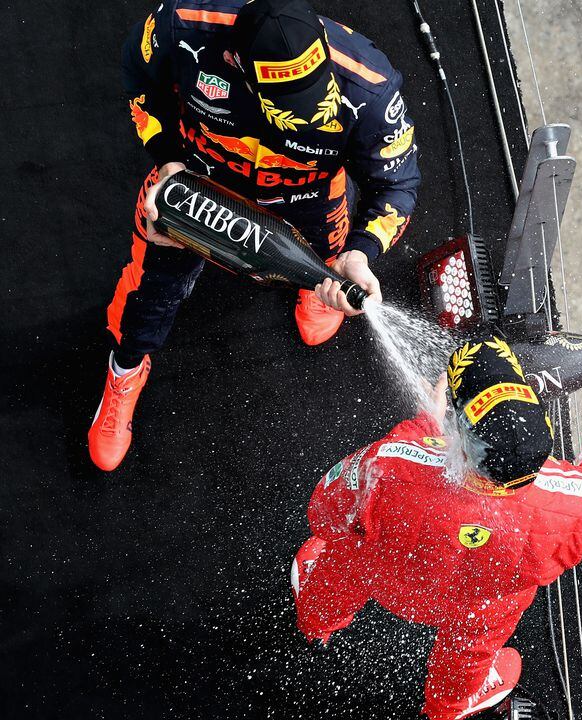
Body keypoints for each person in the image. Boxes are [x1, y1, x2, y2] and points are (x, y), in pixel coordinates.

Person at [89, 0, 421, 471]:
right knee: (150, 291)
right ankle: (125, 369)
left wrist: (361, 253)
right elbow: (138, 79)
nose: (308, 117)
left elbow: (398, 184)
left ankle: (316, 289)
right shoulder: (181, 25)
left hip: (310, 199)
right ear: (233, 62)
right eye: (289, 107)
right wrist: (166, 159)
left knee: (330, 261)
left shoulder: (370, 87)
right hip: (201, 186)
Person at [290, 326, 582, 719]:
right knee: (466, 661)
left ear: (460, 433)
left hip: (386, 577)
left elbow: (322, 514)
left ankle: (316, 622)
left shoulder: (390, 465)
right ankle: (447, 709)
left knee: (342, 565)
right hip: (483, 609)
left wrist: (427, 422)